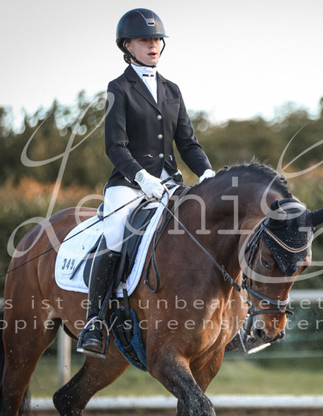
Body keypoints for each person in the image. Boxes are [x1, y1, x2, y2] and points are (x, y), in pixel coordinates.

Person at [77, 8, 215, 356]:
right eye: (144, 40)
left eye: (157, 40)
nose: (153, 45)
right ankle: (95, 321)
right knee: (115, 233)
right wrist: (141, 176)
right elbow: (115, 146)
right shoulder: (119, 88)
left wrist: (207, 173)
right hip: (129, 183)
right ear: (127, 45)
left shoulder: (172, 90)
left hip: (170, 184)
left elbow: (187, 143)